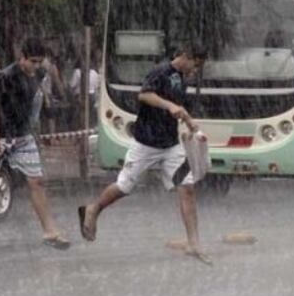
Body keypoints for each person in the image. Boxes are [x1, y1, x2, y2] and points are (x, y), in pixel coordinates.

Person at [77, 44, 211, 264]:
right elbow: (145, 95)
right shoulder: (160, 72)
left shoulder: (181, 79)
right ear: (186, 57)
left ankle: (194, 243)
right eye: (195, 65)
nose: (195, 71)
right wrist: (168, 106)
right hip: (146, 143)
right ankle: (93, 209)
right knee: (124, 186)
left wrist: (192, 125)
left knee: (187, 188)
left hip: (171, 146)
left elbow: (179, 107)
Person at [0, 37, 70, 249]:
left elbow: (40, 91)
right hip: (2, 137)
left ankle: (50, 231)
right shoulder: (5, 77)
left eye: (39, 62)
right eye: (32, 61)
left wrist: (45, 103)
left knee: (37, 182)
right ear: (21, 58)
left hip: (23, 138)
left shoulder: (39, 73)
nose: (35, 66)